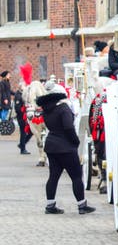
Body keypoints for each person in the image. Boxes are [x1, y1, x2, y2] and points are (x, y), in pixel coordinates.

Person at [38, 84, 94, 214]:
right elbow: (68, 127)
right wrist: (75, 140)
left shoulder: (46, 110)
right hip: (66, 146)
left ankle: (50, 205)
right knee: (76, 176)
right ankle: (81, 205)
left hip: (51, 145)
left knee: (53, 176)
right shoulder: (63, 108)